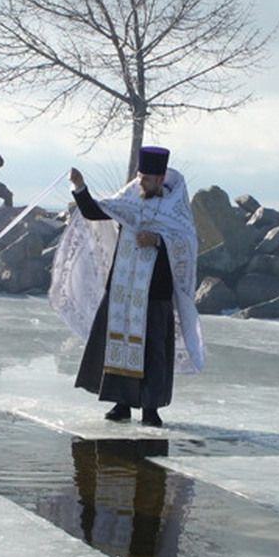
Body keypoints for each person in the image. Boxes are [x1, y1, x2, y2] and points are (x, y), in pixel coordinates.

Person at [49, 146, 205, 427]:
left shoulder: (176, 207)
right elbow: (97, 212)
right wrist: (80, 187)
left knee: (153, 350)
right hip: (123, 287)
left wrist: (159, 240)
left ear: (160, 179)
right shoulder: (130, 196)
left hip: (155, 291)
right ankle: (122, 403)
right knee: (118, 343)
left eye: (147, 179)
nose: (141, 182)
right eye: (140, 176)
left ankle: (150, 408)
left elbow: (187, 244)